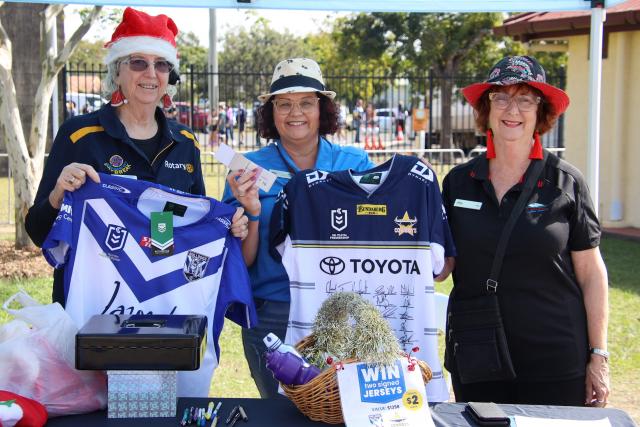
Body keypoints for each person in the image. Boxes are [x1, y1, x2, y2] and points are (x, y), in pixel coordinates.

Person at [25, 7, 249, 307]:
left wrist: (229, 227)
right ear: (117, 71)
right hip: (92, 305)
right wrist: (57, 194)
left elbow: (195, 225)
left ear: (170, 76)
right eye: (138, 62)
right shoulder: (78, 135)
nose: (150, 73)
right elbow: (38, 232)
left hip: (166, 299)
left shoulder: (185, 142)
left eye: (161, 64)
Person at [442, 56, 610, 406]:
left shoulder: (566, 182)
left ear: (541, 111)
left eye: (524, 99)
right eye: (500, 97)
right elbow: (442, 266)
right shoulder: (459, 182)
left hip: (555, 358)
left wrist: (599, 355)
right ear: (486, 109)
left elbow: (592, 273)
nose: (511, 109)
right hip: (477, 351)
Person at [222, 58, 375, 398]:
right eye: (284, 103)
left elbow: (375, 237)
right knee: (278, 412)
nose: (296, 113)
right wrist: (253, 212)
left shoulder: (356, 163)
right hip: (273, 310)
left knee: (343, 407)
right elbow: (242, 262)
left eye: (306, 102)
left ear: (323, 109)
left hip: (340, 307)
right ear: (270, 111)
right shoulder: (247, 170)